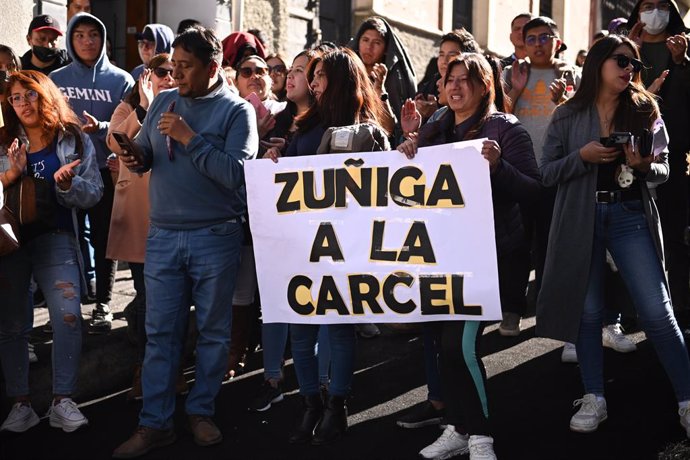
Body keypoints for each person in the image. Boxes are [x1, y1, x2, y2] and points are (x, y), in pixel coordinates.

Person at [112, 26, 256, 458]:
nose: (175, 74)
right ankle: (155, 424)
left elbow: (236, 175)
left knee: (212, 332)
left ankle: (201, 412)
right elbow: (146, 154)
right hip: (163, 235)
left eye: (185, 67)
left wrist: (190, 139)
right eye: (172, 66)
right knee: (160, 333)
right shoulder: (161, 101)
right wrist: (134, 156)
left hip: (216, 235)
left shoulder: (237, 112)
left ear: (213, 67)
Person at [536, 34, 690, 436]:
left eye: (635, 65)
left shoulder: (644, 108)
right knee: (587, 315)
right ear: (599, 64)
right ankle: (594, 396)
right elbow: (547, 172)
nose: (630, 70)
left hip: (629, 217)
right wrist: (581, 157)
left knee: (658, 312)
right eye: (622, 61)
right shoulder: (569, 114)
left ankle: (687, 399)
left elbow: (666, 169)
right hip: (579, 219)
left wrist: (642, 166)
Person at [396, 52, 539, 460]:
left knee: (460, 345)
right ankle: (459, 428)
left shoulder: (505, 129)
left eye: (466, 79)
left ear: (485, 86)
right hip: (441, 256)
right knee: (446, 347)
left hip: (487, 255)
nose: (455, 86)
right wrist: (409, 142)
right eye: (449, 79)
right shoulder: (437, 126)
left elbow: (535, 191)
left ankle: (480, 437)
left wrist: (498, 169)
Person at [268, 47, 390, 446]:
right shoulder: (303, 127)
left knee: (338, 328)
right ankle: (311, 405)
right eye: (313, 75)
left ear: (339, 81)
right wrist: (275, 159)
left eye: (319, 76)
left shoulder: (367, 131)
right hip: (302, 245)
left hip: (343, 247)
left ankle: (337, 406)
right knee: (300, 332)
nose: (314, 83)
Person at [0, 70, 103, 434]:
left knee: (67, 316)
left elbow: (94, 192)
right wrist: (10, 175)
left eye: (30, 95)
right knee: (12, 325)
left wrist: (69, 185)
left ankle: (63, 400)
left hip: (56, 238)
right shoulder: (3, 141)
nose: (24, 104)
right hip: (9, 242)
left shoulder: (71, 138)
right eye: (16, 97)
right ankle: (21, 404)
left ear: (45, 95)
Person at [50, 12, 135, 334]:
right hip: (65, 172)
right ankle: (67, 305)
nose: (87, 41)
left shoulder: (120, 80)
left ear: (104, 41)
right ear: (71, 40)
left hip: (107, 171)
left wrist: (101, 129)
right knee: (65, 240)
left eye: (93, 35)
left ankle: (103, 303)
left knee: (104, 240)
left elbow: (130, 127)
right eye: (80, 35)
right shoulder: (57, 79)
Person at [105, 53, 180, 400]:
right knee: (148, 297)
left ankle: (167, 367)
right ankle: (146, 368)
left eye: (173, 72)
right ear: (146, 76)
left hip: (175, 216)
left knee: (169, 300)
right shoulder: (127, 108)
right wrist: (146, 108)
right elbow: (115, 140)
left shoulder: (182, 108)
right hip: (140, 220)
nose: (168, 77)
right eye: (160, 72)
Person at [502, 16, 580, 336]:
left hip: (555, 171)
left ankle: (545, 310)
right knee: (515, 244)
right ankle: (511, 311)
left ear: (556, 41)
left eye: (544, 37)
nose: (537, 44)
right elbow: (500, 114)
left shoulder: (571, 73)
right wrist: (517, 89)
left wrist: (564, 100)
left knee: (549, 244)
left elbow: (581, 119)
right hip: (517, 170)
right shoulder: (511, 72)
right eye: (531, 38)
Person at [626, 0, 690, 328]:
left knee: (674, 233)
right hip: (628, 154)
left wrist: (681, 62)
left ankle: (679, 307)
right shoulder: (625, 47)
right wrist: (629, 53)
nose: (655, 12)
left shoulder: (684, 45)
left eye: (662, 5)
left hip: (675, 156)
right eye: (648, 5)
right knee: (632, 234)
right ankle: (631, 310)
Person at [350, 16, 416, 139]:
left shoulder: (392, 81)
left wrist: (379, 88)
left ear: (386, 49)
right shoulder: (349, 75)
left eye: (377, 43)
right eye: (365, 40)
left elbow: (389, 128)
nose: (369, 47)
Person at [414, 29, 481, 124]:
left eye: (452, 55)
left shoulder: (473, 88)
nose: (444, 61)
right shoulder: (431, 85)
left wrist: (436, 113)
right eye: (441, 55)